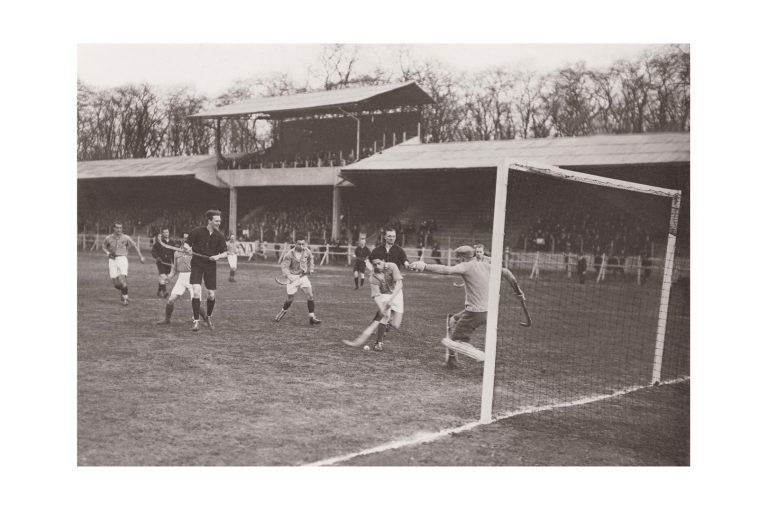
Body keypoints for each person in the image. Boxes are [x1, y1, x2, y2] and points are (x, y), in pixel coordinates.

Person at [410, 246, 525, 368]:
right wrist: (518, 291)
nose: (457, 261)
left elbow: (447, 270)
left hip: (475, 312)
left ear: (463, 258)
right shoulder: (485, 264)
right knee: (452, 321)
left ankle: (483, 357)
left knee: (453, 342)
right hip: (489, 310)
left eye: (457, 258)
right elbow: (507, 272)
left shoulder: (466, 265)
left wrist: (424, 266)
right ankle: (452, 361)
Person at [345, 256, 405, 351]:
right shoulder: (373, 276)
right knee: (385, 315)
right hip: (384, 294)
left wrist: (392, 298)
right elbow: (376, 295)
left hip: (397, 293)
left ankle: (388, 323)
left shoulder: (392, 266)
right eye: (374, 264)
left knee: (396, 324)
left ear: (384, 261)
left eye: (379, 263)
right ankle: (379, 343)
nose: (377, 266)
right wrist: (382, 308)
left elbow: (400, 284)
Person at [185, 209, 228, 332]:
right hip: (197, 264)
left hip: (210, 265)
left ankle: (208, 317)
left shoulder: (219, 236)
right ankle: (196, 321)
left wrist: (217, 256)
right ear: (209, 221)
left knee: (211, 294)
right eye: (216, 221)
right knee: (196, 291)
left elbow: (225, 252)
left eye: (220, 221)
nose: (219, 223)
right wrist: (188, 249)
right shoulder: (197, 231)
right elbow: (187, 244)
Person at [274, 237, 322, 325]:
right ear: (295, 244)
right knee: (290, 299)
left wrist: (311, 269)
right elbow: (284, 267)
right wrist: (288, 275)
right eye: (299, 244)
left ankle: (312, 317)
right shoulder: (289, 254)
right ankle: (282, 312)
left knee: (310, 295)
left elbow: (311, 259)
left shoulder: (307, 251)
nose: (301, 246)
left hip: (303, 277)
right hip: (292, 277)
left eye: (303, 244)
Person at [102, 221, 145, 305]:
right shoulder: (108, 238)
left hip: (122, 259)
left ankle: (125, 299)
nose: (119, 229)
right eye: (117, 227)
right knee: (116, 284)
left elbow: (135, 246)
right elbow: (103, 246)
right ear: (113, 228)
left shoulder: (126, 237)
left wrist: (141, 256)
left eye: (120, 228)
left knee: (122, 279)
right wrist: (108, 253)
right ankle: (123, 290)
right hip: (112, 260)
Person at [157, 233, 193, 324]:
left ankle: (206, 319)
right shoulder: (177, 253)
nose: (185, 240)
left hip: (193, 277)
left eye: (187, 239)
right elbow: (174, 269)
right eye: (184, 238)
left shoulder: (195, 251)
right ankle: (167, 319)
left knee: (195, 302)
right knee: (171, 300)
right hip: (181, 278)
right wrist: (169, 278)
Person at [151, 228, 175, 297]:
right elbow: (153, 251)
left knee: (163, 278)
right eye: (164, 232)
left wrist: (174, 262)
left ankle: (159, 291)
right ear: (162, 233)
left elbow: (174, 252)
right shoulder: (159, 242)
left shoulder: (172, 242)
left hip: (168, 263)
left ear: (169, 233)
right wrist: (157, 257)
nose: (166, 234)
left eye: (167, 232)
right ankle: (165, 292)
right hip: (161, 262)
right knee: (163, 276)